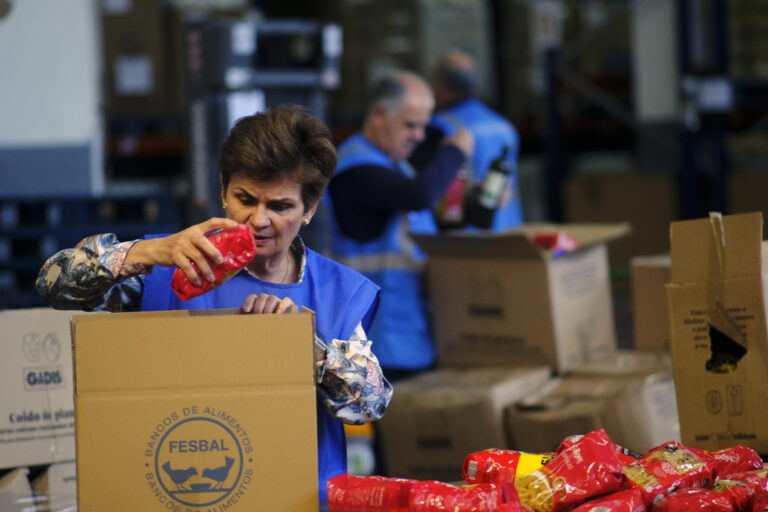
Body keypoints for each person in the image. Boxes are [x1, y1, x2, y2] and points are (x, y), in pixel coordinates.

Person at [35, 105, 392, 502]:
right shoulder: (169, 269)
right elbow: (55, 283)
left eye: (280, 206)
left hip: (294, 499)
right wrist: (150, 251)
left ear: (309, 208)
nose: (258, 220)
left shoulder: (336, 292)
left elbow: (370, 405)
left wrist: (302, 346)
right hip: (175, 492)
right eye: (245, 199)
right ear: (223, 190)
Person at [323, 71, 473, 379]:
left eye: (423, 126)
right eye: (410, 125)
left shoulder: (396, 168)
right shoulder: (355, 170)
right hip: (374, 349)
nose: (419, 136)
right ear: (379, 114)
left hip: (408, 338)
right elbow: (420, 195)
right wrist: (457, 150)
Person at [428, 49, 523, 231]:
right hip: (508, 228)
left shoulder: (440, 127)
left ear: (440, 85)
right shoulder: (503, 125)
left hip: (467, 235)